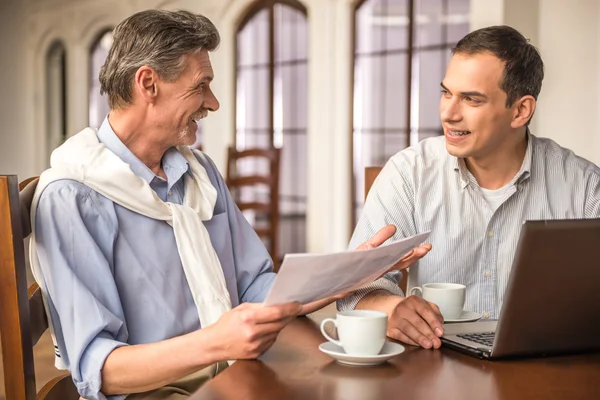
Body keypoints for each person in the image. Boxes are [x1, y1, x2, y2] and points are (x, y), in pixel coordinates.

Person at [29, 10, 428, 400]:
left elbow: (256, 287)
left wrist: (350, 272)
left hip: (236, 372)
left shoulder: (199, 173)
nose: (214, 102)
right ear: (148, 83)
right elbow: (101, 371)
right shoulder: (71, 198)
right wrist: (218, 343)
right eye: (201, 85)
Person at [338, 25, 600, 351]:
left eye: (471, 99)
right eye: (446, 93)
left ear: (520, 110)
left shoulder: (586, 188)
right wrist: (390, 308)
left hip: (547, 371)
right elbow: (353, 292)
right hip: (435, 370)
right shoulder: (409, 173)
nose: (448, 113)